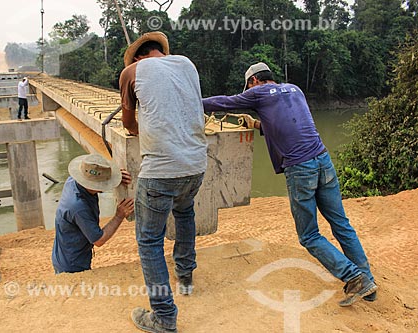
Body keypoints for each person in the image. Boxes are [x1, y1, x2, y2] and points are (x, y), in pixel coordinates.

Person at [202, 62, 377, 307]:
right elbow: (291, 123)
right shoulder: (295, 89)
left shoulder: (258, 92)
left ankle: (354, 277)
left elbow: (222, 102)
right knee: (341, 224)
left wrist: (191, 102)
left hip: (300, 168)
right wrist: (257, 124)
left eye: (248, 86)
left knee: (309, 235)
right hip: (323, 160)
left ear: (253, 81)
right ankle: (368, 282)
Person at [120, 31, 207, 333]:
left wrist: (140, 124)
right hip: (196, 165)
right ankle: (185, 276)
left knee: (149, 242)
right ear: (160, 51)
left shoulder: (130, 72)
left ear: (139, 56)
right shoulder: (187, 64)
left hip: (160, 171)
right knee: (184, 213)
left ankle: (164, 317)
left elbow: (129, 125)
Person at [52, 154, 135, 274]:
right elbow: (99, 240)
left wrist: (115, 176)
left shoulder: (72, 181)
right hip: (73, 264)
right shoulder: (78, 207)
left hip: (64, 253)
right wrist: (119, 215)